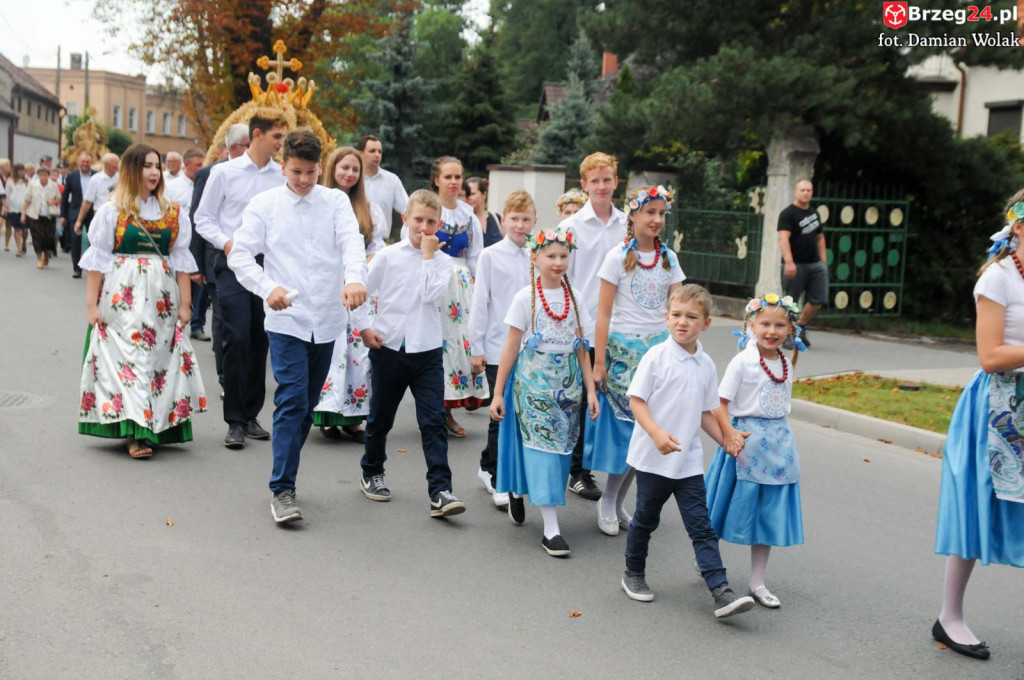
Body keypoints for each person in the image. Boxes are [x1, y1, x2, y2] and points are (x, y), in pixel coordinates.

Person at [228, 128, 367, 523]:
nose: (304, 180)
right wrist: (267, 287)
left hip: (327, 319)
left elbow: (351, 243)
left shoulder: (335, 202)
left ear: (320, 167)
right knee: (291, 400)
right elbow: (240, 255)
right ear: (283, 167)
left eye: (310, 171)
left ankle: (285, 472)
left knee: (306, 407)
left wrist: (354, 279)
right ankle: (283, 488)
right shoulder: (265, 204)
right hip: (286, 317)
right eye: (296, 172)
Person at [619, 284, 755, 619]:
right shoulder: (656, 357)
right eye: (677, 315)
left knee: (701, 527)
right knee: (645, 520)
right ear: (666, 318)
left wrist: (726, 439)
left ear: (706, 323)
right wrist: (656, 434)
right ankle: (633, 573)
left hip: (688, 463)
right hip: (653, 460)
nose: (683, 322)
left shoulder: (706, 364)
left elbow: (705, 412)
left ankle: (721, 591)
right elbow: (636, 401)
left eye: (691, 317)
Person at [931, 198, 1024, 660]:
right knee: (976, 506)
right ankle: (949, 617)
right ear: (1019, 227)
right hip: (997, 408)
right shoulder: (998, 278)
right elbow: (990, 356)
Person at [77, 143, 206, 458]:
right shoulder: (112, 210)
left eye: (156, 165)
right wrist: (92, 305)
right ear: (132, 170)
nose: (154, 172)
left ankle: (155, 425)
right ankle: (136, 433)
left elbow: (181, 263)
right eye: (147, 165)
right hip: (124, 296)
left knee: (158, 362)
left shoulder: (173, 211)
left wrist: (186, 304)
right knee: (130, 361)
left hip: (162, 299)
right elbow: (97, 261)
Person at [352, 189, 467, 518]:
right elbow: (360, 291)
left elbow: (430, 296)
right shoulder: (388, 256)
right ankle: (372, 471)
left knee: (433, 421)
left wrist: (429, 257)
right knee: (381, 418)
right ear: (405, 219)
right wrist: (364, 328)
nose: (424, 228)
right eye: (418, 220)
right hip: (389, 347)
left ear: (439, 224)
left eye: (431, 222)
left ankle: (440, 490)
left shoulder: (443, 263)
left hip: (426, 350)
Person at [490, 226, 598, 556]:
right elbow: (511, 347)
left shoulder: (575, 298)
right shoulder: (524, 298)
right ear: (534, 258)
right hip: (532, 386)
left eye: (564, 255)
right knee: (543, 452)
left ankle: (518, 490)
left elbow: (582, 347)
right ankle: (551, 529)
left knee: (561, 451)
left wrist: (591, 390)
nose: (558, 262)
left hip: (567, 388)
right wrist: (497, 393)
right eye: (551, 255)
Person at [587, 185, 685, 536]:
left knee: (646, 432)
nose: (656, 219)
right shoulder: (616, 257)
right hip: (622, 356)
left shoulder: (669, 259)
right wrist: (599, 361)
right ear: (634, 215)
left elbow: (679, 309)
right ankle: (608, 500)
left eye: (661, 214)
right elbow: (603, 314)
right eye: (650, 212)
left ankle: (616, 501)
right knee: (626, 432)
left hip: (657, 354)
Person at [705, 294, 806, 611]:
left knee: (767, 516)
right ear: (751, 324)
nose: (771, 331)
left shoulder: (786, 363)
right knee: (720, 509)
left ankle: (757, 581)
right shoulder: (743, 361)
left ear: (790, 329)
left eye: (780, 325)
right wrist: (729, 434)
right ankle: (707, 561)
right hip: (744, 446)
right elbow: (719, 403)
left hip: (778, 450)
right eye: (765, 324)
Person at [194, 108, 288, 449]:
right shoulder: (224, 172)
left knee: (260, 338)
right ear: (257, 134)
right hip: (232, 263)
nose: (281, 143)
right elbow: (203, 218)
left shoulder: (281, 176)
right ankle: (234, 419)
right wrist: (227, 242)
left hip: (268, 266)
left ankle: (251, 414)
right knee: (236, 337)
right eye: (277, 136)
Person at [559, 152, 628, 501]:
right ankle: (577, 471)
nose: (601, 186)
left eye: (607, 179)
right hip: (582, 326)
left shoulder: (627, 224)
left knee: (615, 398)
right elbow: (562, 276)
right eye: (595, 181)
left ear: (616, 182)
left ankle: (611, 466)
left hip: (620, 325)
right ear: (584, 184)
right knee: (582, 400)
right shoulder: (571, 228)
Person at [313, 146, 389, 442]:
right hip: (329, 286)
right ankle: (328, 415)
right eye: (344, 167)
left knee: (359, 355)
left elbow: (377, 247)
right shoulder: (319, 203)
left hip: (359, 287)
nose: (349, 173)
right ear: (332, 169)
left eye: (355, 169)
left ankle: (355, 417)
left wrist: (362, 267)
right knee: (332, 353)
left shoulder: (368, 208)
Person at [469, 190, 534, 508]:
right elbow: (480, 301)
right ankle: (496, 474)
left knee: (522, 411)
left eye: (526, 219)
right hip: (498, 346)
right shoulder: (490, 255)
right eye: (515, 219)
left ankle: (489, 463)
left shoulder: (537, 255)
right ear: (504, 219)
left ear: (534, 221)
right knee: (502, 410)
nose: (520, 225)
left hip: (530, 348)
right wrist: (476, 346)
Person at [429, 156, 489, 437]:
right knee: (437, 345)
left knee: (459, 344)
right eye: (448, 177)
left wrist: (481, 289)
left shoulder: (469, 216)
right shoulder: (428, 209)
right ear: (436, 180)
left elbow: (476, 256)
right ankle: (437, 409)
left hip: (462, 287)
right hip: (436, 282)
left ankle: (448, 407)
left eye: (457, 177)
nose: (453, 182)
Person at [190, 123, 250, 394]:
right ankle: (226, 377)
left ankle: (243, 375)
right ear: (235, 148)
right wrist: (196, 264)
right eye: (248, 146)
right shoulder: (210, 173)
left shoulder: (263, 174)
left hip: (251, 261)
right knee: (223, 321)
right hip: (217, 259)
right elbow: (199, 218)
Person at [165, 148, 208, 341]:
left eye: (203, 164)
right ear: (187, 165)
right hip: (179, 241)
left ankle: (197, 324)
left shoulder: (207, 184)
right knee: (178, 282)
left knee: (200, 283)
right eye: (198, 165)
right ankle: (174, 319)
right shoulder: (173, 187)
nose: (201, 168)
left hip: (200, 239)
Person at [778, 179, 827, 349]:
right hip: (795, 264)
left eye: (809, 190)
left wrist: (823, 261)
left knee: (818, 299)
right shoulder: (788, 214)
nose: (806, 193)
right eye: (802, 190)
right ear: (796, 192)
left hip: (815, 264)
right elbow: (783, 239)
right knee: (790, 302)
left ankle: (799, 327)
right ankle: (786, 335)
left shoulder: (814, 213)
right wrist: (789, 262)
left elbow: (820, 237)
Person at [358, 135, 408, 239]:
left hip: (381, 242)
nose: (377, 155)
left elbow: (408, 209)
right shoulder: (353, 179)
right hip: (354, 240)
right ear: (360, 153)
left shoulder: (392, 180)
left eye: (379, 152)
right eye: (372, 151)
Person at [75, 153, 120, 254]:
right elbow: (87, 202)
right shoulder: (96, 179)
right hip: (100, 218)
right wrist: (79, 221)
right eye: (115, 164)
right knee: (99, 246)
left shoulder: (121, 179)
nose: (117, 166)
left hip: (117, 217)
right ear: (107, 165)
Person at [62, 152, 93, 278]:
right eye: (83, 161)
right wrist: (63, 215)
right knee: (75, 241)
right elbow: (65, 197)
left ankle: (92, 267)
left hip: (92, 213)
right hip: (75, 212)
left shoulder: (96, 176)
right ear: (79, 162)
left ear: (91, 162)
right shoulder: (71, 176)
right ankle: (77, 268)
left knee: (93, 240)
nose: (85, 164)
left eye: (87, 162)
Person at [23, 167, 60, 269]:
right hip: (35, 215)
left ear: (48, 176)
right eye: (41, 175)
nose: (43, 177)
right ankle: (39, 258)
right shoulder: (33, 185)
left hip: (49, 215)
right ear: (38, 175)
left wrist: (53, 202)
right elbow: (27, 200)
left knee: (48, 238)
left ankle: (46, 255)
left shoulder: (53, 185)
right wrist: (23, 214)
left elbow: (59, 198)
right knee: (36, 238)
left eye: (45, 175)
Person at [465, 177, 502, 248]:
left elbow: (511, 242)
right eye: (466, 195)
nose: (468, 198)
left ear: (484, 195)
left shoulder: (496, 218)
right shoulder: (462, 221)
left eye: (472, 194)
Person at [5, 164, 28, 256]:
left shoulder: (27, 181)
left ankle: (24, 242)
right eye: (19, 170)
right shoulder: (10, 181)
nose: (21, 172)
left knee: (25, 230)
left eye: (23, 170)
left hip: (25, 209)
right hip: (14, 208)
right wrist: (6, 207)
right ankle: (19, 248)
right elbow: (7, 194)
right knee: (17, 228)